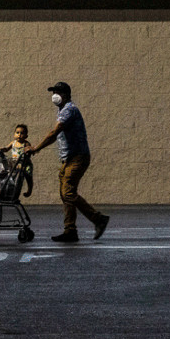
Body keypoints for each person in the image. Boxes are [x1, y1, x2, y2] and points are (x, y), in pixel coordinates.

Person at [26, 82, 110, 243]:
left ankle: (98, 219)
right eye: (53, 92)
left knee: (68, 193)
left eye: (57, 92)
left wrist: (36, 148)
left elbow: (54, 133)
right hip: (67, 159)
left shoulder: (69, 110)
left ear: (65, 95)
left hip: (78, 157)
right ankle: (70, 231)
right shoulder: (62, 111)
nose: (54, 95)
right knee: (65, 195)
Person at [0, 123, 33, 196]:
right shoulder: (13, 143)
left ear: (26, 136)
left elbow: (29, 151)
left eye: (22, 133)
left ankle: (29, 190)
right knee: (11, 176)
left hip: (24, 164)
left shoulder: (26, 143)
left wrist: (28, 151)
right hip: (15, 163)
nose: (19, 135)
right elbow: (7, 148)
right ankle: (8, 191)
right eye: (17, 132)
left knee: (28, 175)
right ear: (14, 134)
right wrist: (2, 149)